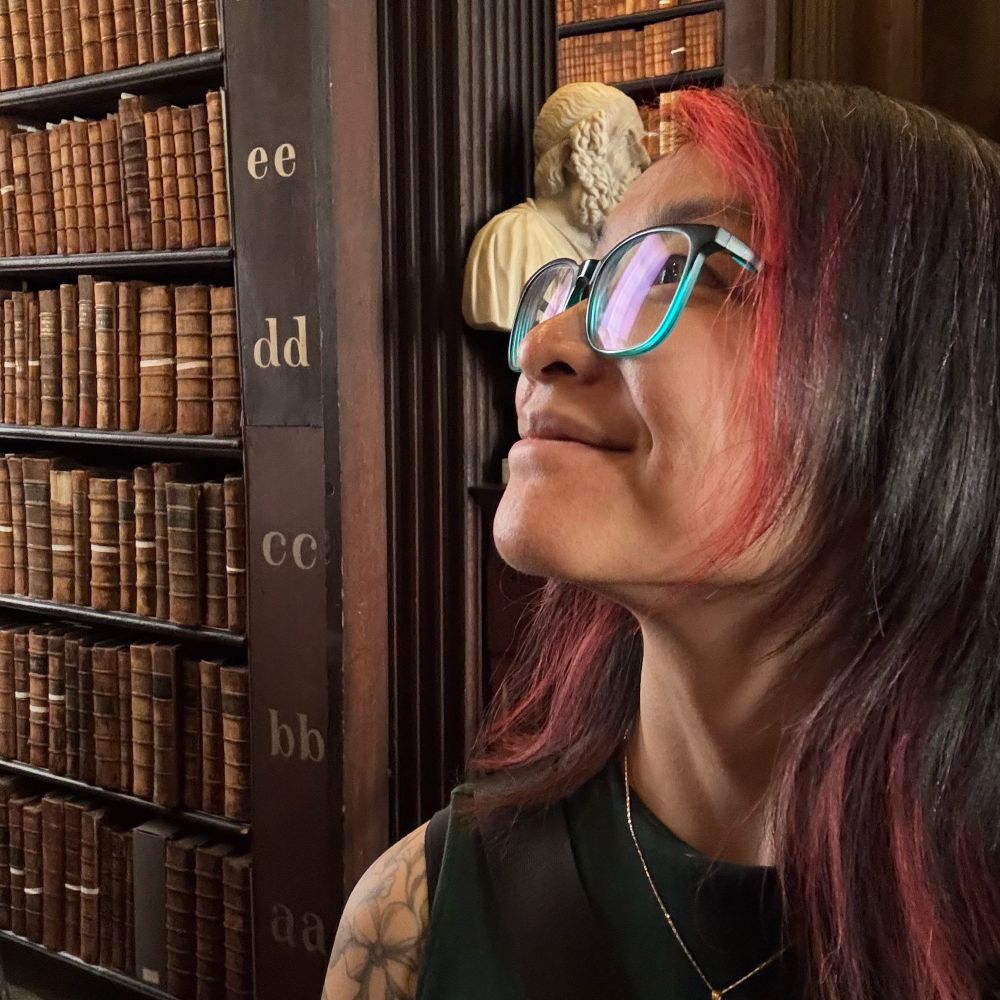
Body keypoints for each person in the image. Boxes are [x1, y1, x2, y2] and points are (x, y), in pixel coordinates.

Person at [323, 80, 1000, 1000]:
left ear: (917, 389)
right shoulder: (414, 921)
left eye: (676, 274)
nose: (543, 347)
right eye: (587, 281)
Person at [462, 82, 651, 331]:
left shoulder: (619, 253)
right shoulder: (508, 241)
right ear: (578, 153)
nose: (644, 159)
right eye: (626, 141)